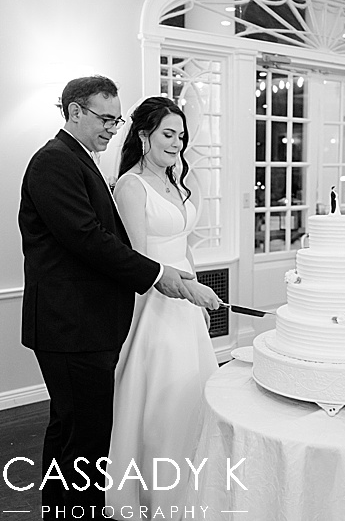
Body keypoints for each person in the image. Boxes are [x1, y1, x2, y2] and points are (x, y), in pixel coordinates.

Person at [18, 76, 210, 519]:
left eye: (115, 119)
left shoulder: (79, 161)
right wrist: (159, 273)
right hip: (71, 326)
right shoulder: (54, 162)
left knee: (69, 431)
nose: (111, 128)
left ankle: (59, 511)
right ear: (74, 112)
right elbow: (87, 238)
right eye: (105, 118)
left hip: (83, 324)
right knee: (84, 441)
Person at [105, 97, 221, 515]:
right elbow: (139, 260)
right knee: (165, 405)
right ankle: (159, 498)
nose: (177, 143)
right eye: (168, 134)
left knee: (197, 395)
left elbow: (184, 248)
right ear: (143, 136)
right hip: (154, 302)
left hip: (187, 302)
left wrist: (197, 297)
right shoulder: (131, 186)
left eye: (181, 136)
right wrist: (187, 291)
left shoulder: (180, 182)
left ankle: (195, 490)